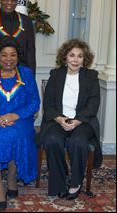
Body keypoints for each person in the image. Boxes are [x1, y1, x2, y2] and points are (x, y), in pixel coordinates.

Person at [0, 37, 40, 211]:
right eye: (4, 55)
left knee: (17, 136)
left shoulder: (26, 73)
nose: (8, 59)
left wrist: (15, 115)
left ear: (18, 57)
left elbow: (34, 102)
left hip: (19, 118)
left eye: (13, 55)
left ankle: (11, 178)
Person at [38, 39, 103, 200]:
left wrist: (77, 121)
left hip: (83, 121)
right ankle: (59, 184)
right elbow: (49, 103)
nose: (75, 59)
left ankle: (76, 182)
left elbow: (93, 103)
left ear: (84, 59)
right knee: (52, 140)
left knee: (78, 142)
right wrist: (60, 119)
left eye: (80, 56)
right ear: (65, 57)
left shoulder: (91, 76)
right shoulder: (56, 74)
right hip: (58, 120)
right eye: (72, 55)